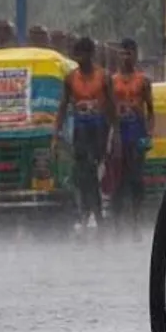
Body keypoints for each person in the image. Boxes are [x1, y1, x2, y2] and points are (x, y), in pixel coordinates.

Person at [55, 37, 115, 230]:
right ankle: (92, 213)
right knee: (83, 174)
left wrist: (117, 133)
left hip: (99, 130)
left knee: (90, 170)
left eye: (82, 54)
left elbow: (112, 107)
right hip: (80, 131)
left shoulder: (104, 77)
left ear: (90, 54)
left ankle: (91, 213)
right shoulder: (71, 78)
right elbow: (63, 107)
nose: (79, 58)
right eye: (76, 55)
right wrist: (56, 133)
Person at [110, 39, 155, 230]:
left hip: (137, 132)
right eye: (122, 53)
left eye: (129, 53)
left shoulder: (143, 81)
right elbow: (109, 110)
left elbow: (151, 111)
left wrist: (150, 135)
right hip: (119, 133)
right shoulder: (112, 81)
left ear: (135, 55)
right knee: (118, 178)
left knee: (136, 177)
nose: (125, 57)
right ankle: (118, 220)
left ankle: (136, 218)